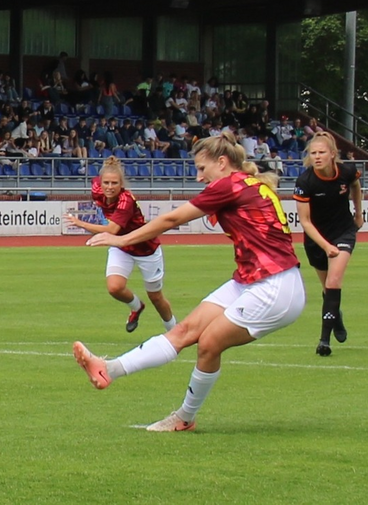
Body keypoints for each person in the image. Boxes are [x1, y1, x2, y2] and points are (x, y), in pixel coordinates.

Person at [73, 132, 305, 431]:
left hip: (275, 286)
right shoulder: (246, 184)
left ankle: (184, 418)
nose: (198, 178)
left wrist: (122, 238)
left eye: (201, 169)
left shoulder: (230, 185)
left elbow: (172, 220)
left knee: (208, 343)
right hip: (252, 279)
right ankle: (108, 369)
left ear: (222, 163)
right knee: (185, 330)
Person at [64, 157, 176, 333]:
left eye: (114, 183)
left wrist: (80, 223)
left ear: (121, 184)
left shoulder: (126, 200)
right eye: (106, 182)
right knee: (114, 288)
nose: (109, 187)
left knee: (156, 297)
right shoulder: (96, 187)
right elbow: (115, 236)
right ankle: (137, 307)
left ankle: (174, 329)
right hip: (121, 247)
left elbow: (112, 229)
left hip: (145, 249)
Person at [293, 131, 362, 356]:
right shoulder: (305, 181)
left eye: (322, 152)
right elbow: (305, 222)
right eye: (313, 153)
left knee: (334, 281)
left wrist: (358, 214)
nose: (317, 157)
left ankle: (324, 341)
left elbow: (355, 186)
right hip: (316, 239)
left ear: (333, 154)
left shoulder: (347, 171)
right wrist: (324, 246)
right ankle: (336, 317)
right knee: (326, 288)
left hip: (343, 232)